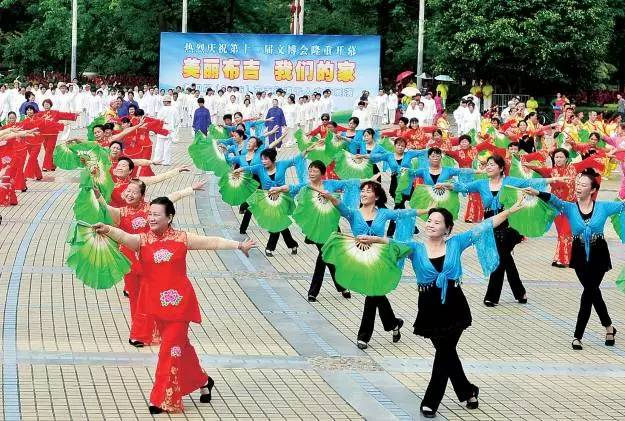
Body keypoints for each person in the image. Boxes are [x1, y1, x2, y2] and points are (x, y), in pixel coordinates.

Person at [362, 201, 524, 418]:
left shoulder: (456, 243)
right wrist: (372, 239)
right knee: (447, 353)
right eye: (429, 221)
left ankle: (430, 401)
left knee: (444, 352)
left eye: (437, 222)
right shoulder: (415, 248)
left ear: (447, 228)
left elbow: (485, 226)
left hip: (455, 305)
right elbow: (393, 243)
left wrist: (510, 211)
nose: (430, 225)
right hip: (429, 308)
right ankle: (467, 391)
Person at [93, 197, 255, 413]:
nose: (151, 218)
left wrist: (238, 245)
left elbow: (212, 242)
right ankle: (203, 380)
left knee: (169, 349)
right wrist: (107, 230)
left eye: (156, 214)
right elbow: (123, 235)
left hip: (180, 304)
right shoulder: (142, 240)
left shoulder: (182, 238)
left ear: (169, 217)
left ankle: (161, 398)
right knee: (180, 348)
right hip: (156, 307)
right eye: (150, 214)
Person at [439, 154, 565, 306]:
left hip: (509, 226)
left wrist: (552, 180)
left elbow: (529, 182)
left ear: (500, 168)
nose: (489, 167)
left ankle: (491, 296)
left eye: (492, 164)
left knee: (501, 257)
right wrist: (448, 185)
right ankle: (520, 292)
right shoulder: (482, 184)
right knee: (506, 258)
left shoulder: (510, 181)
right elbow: (464, 187)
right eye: (487, 165)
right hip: (490, 226)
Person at [525, 168, 624, 350]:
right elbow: (554, 200)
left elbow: (622, 206)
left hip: (599, 253)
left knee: (589, 292)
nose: (579, 187)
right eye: (578, 184)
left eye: (583, 185)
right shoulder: (570, 207)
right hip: (578, 253)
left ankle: (578, 336)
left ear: (593, 190)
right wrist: (538, 193)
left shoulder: (603, 206)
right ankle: (609, 327)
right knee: (592, 291)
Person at [316, 181, 421, 349]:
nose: (364, 194)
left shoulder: (384, 213)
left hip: (380, 259)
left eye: (368, 191)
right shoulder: (353, 213)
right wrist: (329, 196)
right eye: (362, 191)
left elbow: (403, 213)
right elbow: (340, 205)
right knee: (375, 293)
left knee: (373, 295)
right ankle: (393, 324)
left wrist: (429, 211)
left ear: (376, 196)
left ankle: (364, 336)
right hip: (361, 258)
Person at [154, 95, 179, 165]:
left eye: (164, 101)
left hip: (161, 131)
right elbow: (177, 121)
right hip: (170, 131)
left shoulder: (161, 109)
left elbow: (158, 120)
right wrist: (173, 127)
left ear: (166, 102)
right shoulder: (174, 109)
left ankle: (157, 160)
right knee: (167, 147)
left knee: (159, 147)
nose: (163, 103)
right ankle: (166, 162)